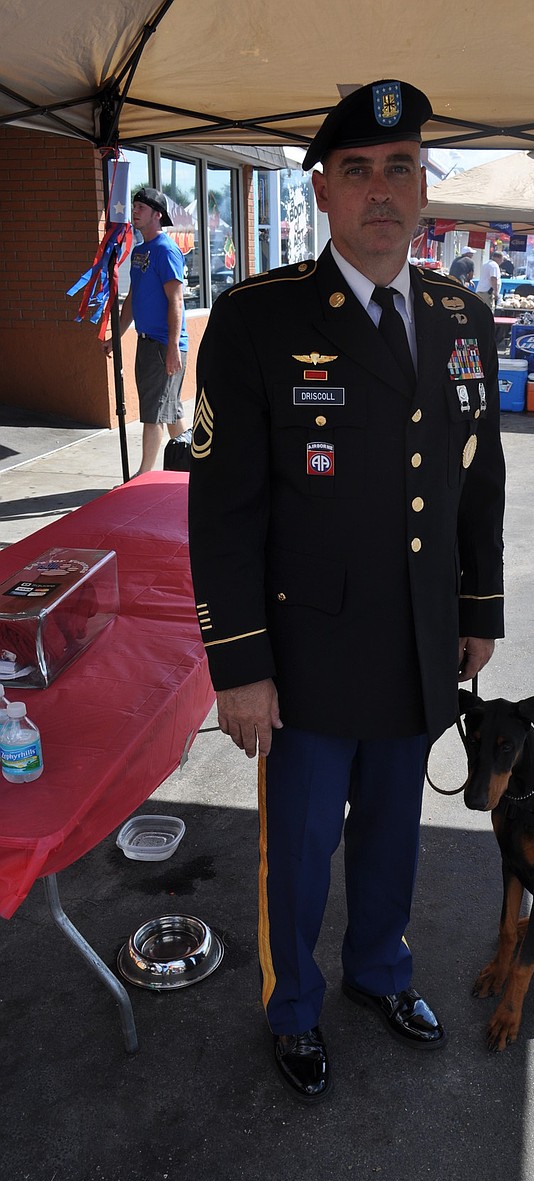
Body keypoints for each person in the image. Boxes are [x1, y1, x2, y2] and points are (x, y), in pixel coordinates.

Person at [187, 79, 506, 1104]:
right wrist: (238, 666)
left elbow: (477, 475)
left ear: (424, 187)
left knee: (391, 837)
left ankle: (379, 972)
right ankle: (292, 1008)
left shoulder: (462, 316)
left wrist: (477, 614)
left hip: (416, 642)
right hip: (306, 656)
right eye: (358, 172)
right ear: (322, 192)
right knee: (301, 849)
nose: (382, 190)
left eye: (400, 168)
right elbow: (223, 511)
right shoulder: (256, 320)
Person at [102, 187, 189, 474]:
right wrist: (117, 336)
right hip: (147, 343)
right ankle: (193, 464)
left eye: (141, 207)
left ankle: (143, 477)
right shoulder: (140, 252)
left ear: (157, 215)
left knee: (154, 415)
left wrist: (173, 348)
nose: (134, 211)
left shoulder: (166, 250)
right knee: (169, 411)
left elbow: (176, 300)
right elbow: (132, 300)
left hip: (165, 345)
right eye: (134, 206)